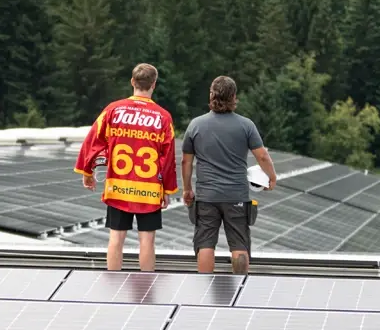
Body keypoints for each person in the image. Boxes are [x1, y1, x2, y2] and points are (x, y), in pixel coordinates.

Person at [74, 63, 178, 272]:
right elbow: (167, 158)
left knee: (116, 238)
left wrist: (87, 171)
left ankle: (114, 287)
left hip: (118, 187)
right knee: (147, 242)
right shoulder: (163, 117)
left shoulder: (113, 110)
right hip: (148, 190)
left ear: (132, 82)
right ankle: (147, 287)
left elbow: (92, 141)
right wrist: (167, 189)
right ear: (153, 85)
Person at [181, 76, 276, 275]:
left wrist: (188, 189)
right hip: (237, 196)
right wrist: (271, 177)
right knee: (239, 243)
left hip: (207, 196)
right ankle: (240, 283)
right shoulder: (246, 125)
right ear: (233, 97)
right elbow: (262, 156)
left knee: (205, 242)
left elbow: (186, 162)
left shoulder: (196, 125)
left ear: (211, 95)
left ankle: (204, 285)